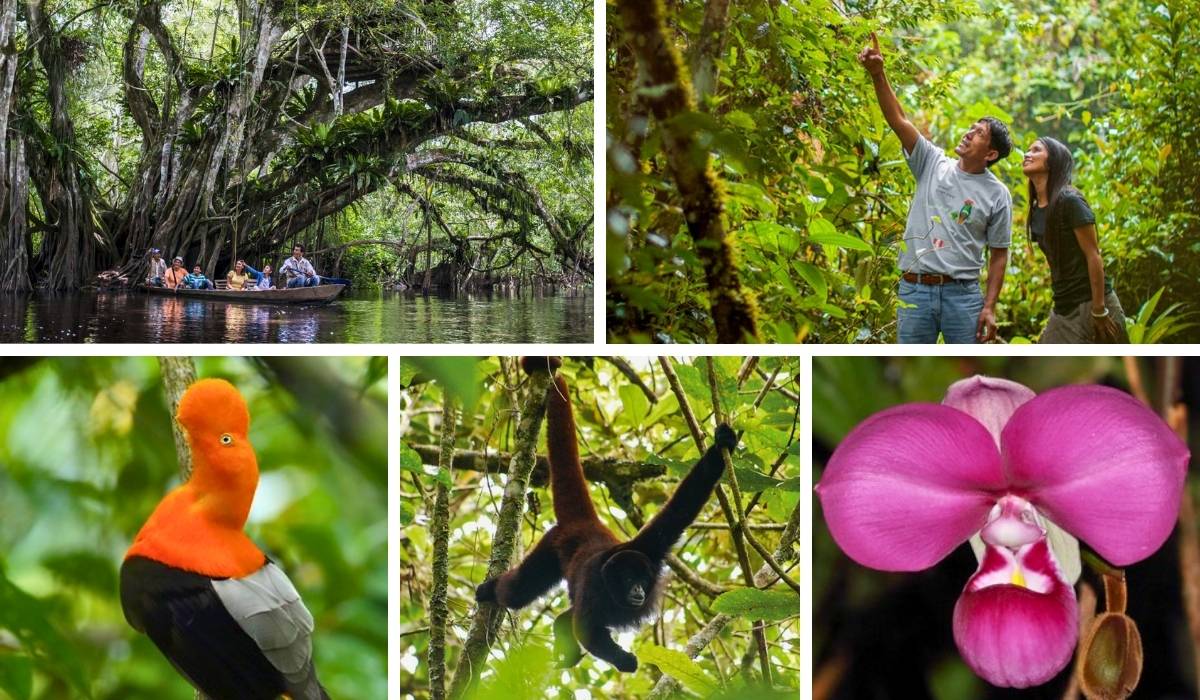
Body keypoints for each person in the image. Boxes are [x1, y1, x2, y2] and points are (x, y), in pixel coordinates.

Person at [858, 33, 1013, 344]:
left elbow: (999, 254)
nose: (969, 133)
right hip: (915, 290)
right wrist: (878, 73)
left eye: (979, 133)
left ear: (991, 154)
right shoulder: (931, 162)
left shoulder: (997, 195)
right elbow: (898, 119)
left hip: (963, 295)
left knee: (968, 369)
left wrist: (990, 307)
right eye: (971, 127)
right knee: (908, 373)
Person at [1022, 137, 1126, 343]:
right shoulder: (1036, 211)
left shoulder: (1070, 201)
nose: (1027, 154)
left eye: (1036, 150)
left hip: (1094, 303)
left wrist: (1099, 310)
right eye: (1027, 150)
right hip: (1063, 305)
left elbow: (1093, 255)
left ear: (1053, 161)